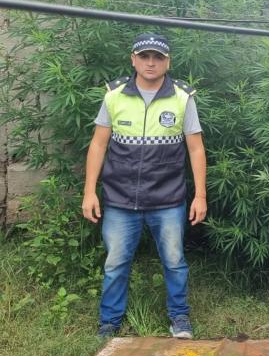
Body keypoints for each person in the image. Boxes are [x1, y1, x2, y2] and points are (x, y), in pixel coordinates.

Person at [81, 32, 207, 339]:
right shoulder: (114, 95)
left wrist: (200, 196)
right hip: (120, 198)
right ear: (133, 59)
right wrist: (89, 192)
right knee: (115, 263)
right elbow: (98, 144)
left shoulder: (182, 97)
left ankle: (179, 317)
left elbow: (195, 149)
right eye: (145, 56)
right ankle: (109, 321)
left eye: (158, 57)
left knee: (174, 262)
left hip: (168, 199)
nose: (151, 63)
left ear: (168, 62)